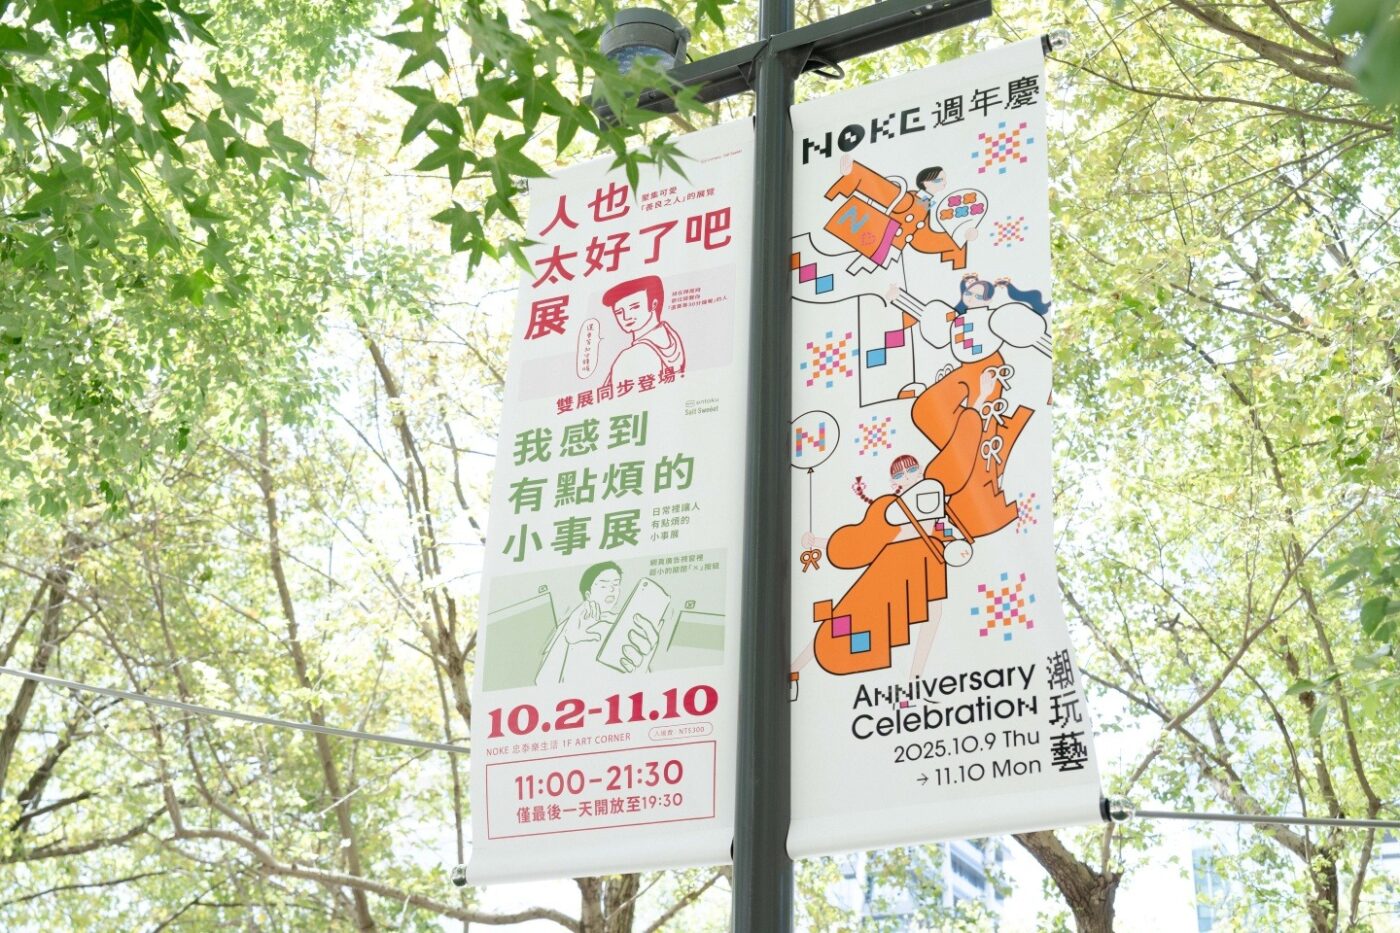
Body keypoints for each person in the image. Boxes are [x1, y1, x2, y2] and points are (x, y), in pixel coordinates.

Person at [536, 561, 658, 683]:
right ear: (588, 594)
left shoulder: (625, 623)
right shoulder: (571, 626)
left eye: (616, 584)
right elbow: (544, 681)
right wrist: (566, 639)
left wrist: (643, 667)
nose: (612, 589)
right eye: (603, 586)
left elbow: (643, 677)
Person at [602, 275, 686, 389]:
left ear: (653, 304)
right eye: (619, 312)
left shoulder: (631, 356)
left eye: (634, 307)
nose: (626, 317)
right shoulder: (672, 337)